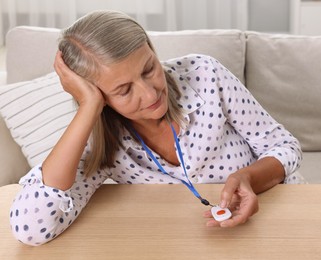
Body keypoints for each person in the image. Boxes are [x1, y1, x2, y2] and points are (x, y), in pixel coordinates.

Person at [9, 10, 305, 246]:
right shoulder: (100, 141)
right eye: (124, 90)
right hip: (184, 246)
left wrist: (248, 178)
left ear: (151, 48)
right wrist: (87, 107)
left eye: (149, 69)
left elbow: (284, 146)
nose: (150, 95)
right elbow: (32, 229)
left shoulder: (204, 74)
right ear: (100, 97)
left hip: (274, 221)